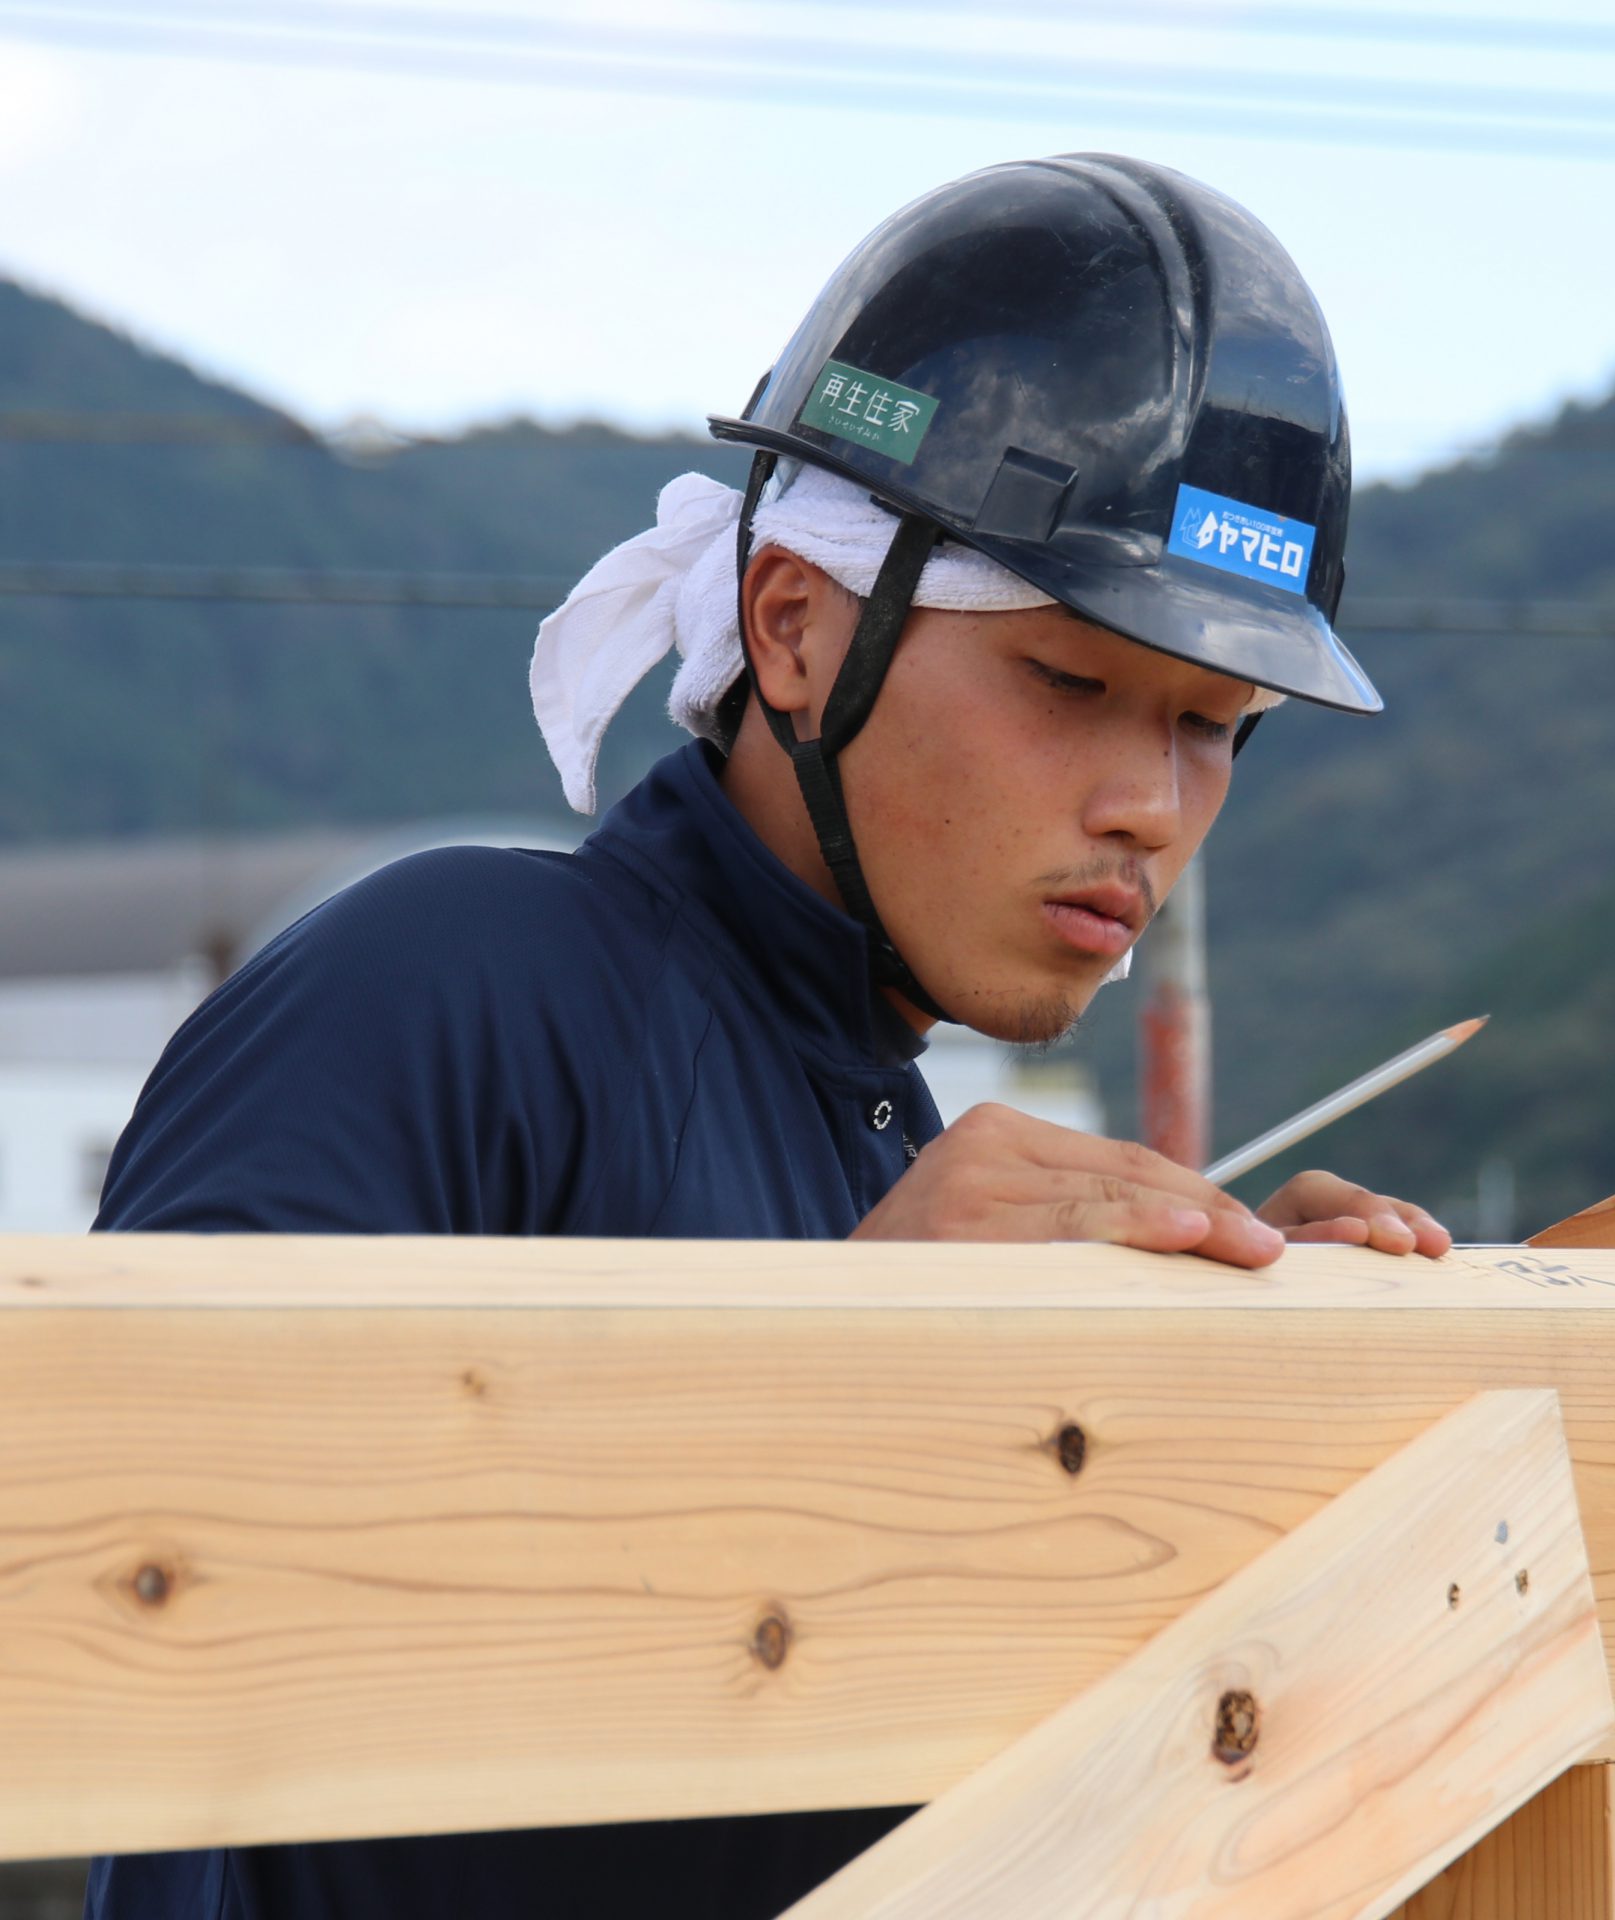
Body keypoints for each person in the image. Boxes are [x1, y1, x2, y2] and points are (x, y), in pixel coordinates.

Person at [84, 152, 1449, 1920]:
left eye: (1217, 726)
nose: (1148, 806)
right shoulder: (443, 992)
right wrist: (826, 1388)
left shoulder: (910, 1161)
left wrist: (1276, 1461)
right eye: (1067, 680)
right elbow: (136, 1619)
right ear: (792, 625)